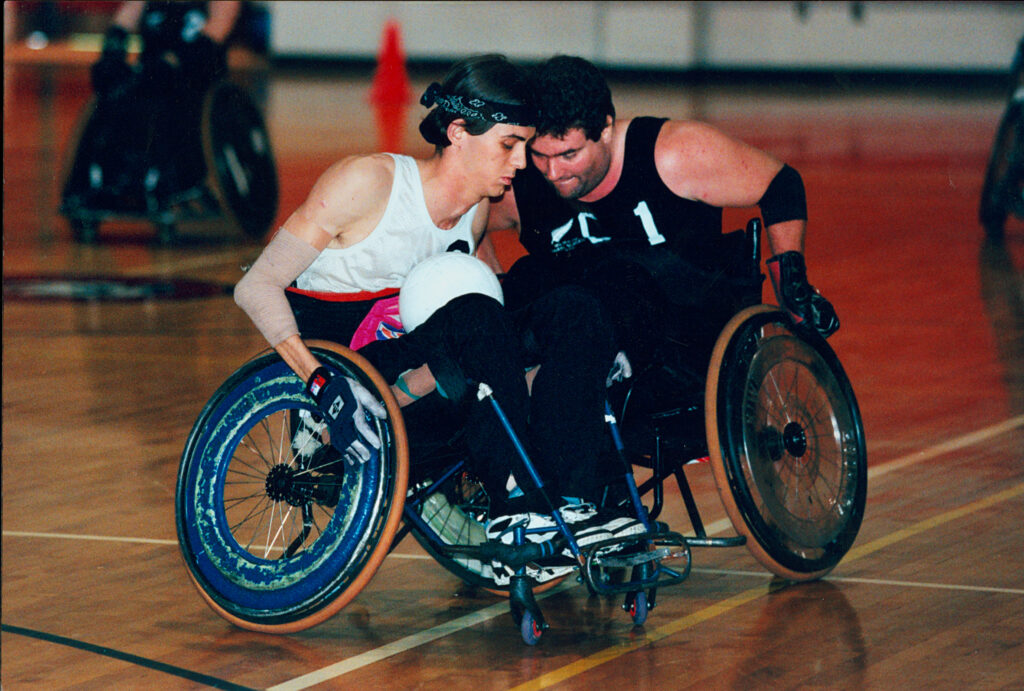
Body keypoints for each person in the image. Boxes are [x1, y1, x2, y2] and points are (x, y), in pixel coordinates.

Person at [233, 55, 643, 561]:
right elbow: (256, 286)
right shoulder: (369, 183)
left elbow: (464, 338)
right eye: (509, 145)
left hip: (426, 388)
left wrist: (583, 357)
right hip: (350, 396)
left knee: (571, 308)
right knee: (476, 312)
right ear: (458, 133)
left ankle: (576, 498)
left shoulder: (475, 214)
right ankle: (518, 503)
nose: (521, 163)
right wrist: (321, 382)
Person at [489, 55, 840, 389]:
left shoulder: (672, 153)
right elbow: (458, 226)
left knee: (618, 278)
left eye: (570, 155)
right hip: (580, 326)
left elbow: (780, 185)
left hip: (677, 327)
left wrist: (791, 284)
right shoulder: (520, 183)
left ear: (606, 129)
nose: (553, 172)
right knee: (526, 278)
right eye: (540, 154)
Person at [62, 1, 241, 214]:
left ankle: (167, 184)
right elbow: (127, 16)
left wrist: (175, 60)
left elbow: (220, 24)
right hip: (150, 72)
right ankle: (97, 183)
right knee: (113, 96)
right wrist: (112, 52)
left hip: (197, 73)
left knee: (170, 103)